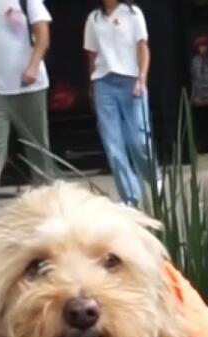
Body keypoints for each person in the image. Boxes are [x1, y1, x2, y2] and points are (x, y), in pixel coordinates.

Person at [84, 0, 152, 207]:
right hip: (103, 81)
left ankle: (151, 176)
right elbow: (92, 55)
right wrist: (91, 84)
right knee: (113, 143)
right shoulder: (94, 18)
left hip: (130, 78)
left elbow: (143, 47)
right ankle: (129, 196)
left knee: (138, 139)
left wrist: (142, 78)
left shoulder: (133, 13)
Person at [0, 0, 53, 185]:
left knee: (38, 150)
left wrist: (33, 66)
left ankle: (48, 200)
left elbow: (43, 35)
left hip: (29, 87)